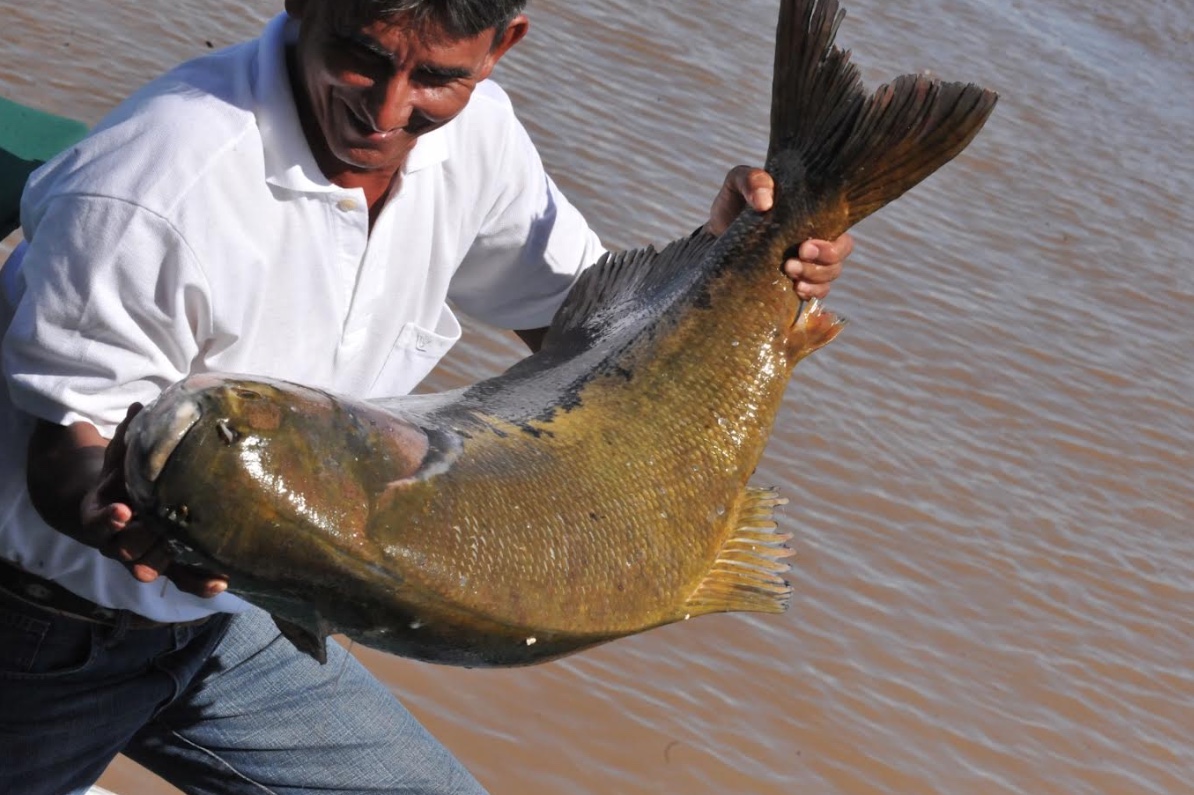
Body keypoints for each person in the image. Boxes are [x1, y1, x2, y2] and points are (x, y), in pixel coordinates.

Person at [0, 1, 854, 793]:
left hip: (244, 613)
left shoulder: (476, 137)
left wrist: (729, 255)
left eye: (437, 78)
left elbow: (579, 331)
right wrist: (114, 509)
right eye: (361, 56)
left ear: (501, 46)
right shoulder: (154, 188)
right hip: (43, 626)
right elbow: (64, 452)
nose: (387, 108)